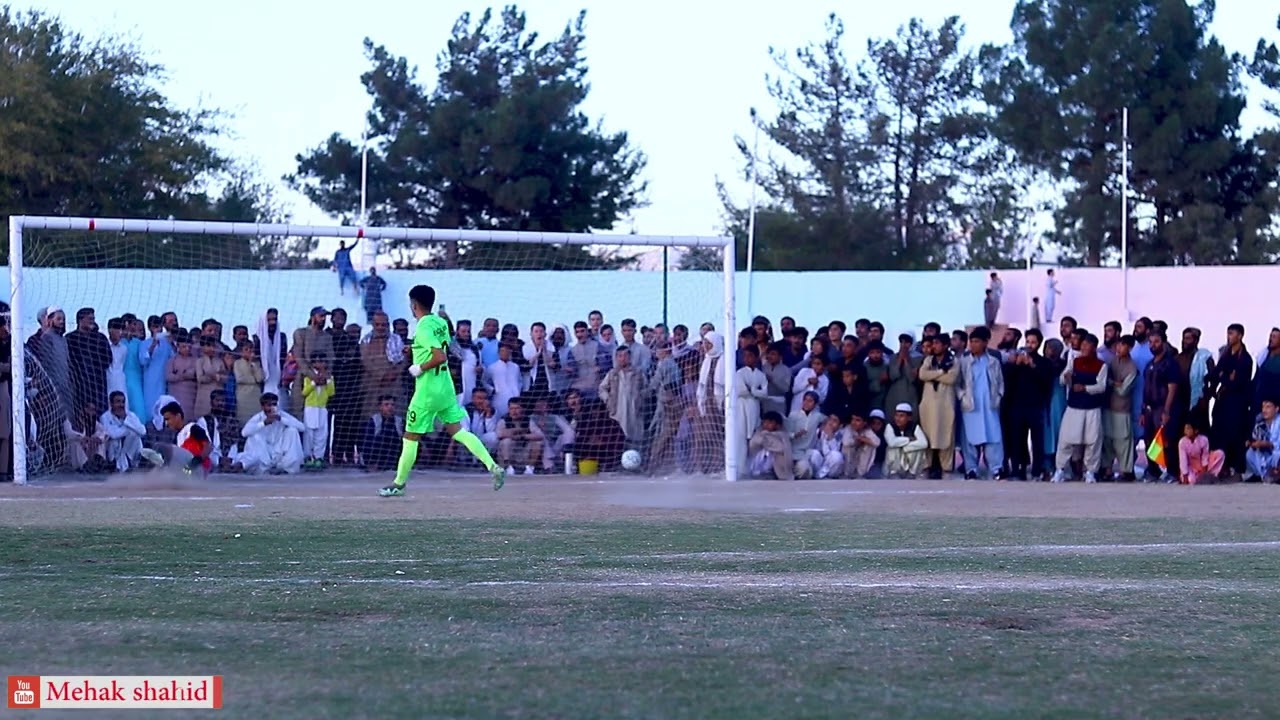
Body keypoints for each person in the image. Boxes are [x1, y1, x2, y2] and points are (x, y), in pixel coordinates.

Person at [379, 285, 505, 497]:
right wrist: (414, 349)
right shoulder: (440, 322)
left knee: (410, 437)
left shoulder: (423, 327)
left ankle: (398, 484)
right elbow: (438, 346)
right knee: (458, 431)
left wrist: (418, 367)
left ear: (414, 304)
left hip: (428, 390)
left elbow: (440, 356)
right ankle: (493, 467)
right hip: (445, 387)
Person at [1178, 420, 1224, 485]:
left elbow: (1205, 457)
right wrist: (1185, 477)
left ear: (1196, 430)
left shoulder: (1203, 439)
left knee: (1220, 454)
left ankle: (1211, 475)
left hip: (1203, 465)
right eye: (1185, 429)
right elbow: (1183, 461)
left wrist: (1204, 473)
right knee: (1191, 480)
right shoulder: (1182, 442)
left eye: (1188, 428)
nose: (1185, 431)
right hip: (1191, 466)